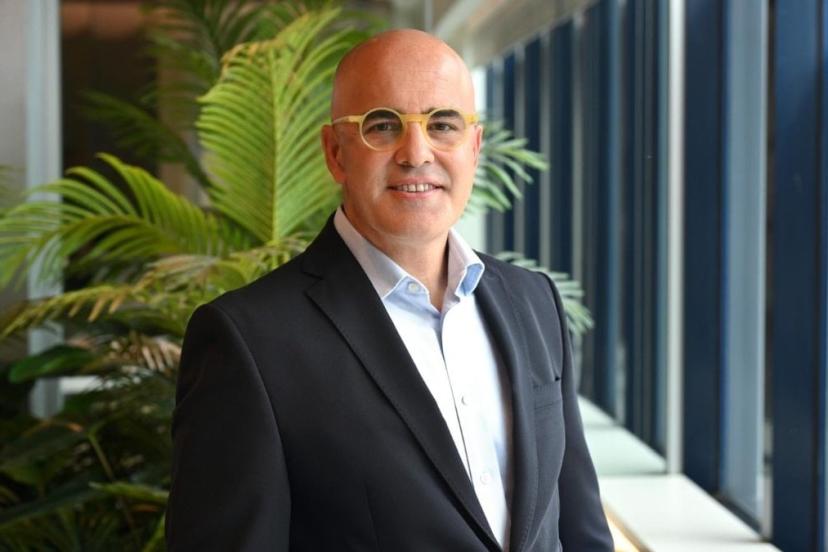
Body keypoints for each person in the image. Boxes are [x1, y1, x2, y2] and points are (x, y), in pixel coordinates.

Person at [165, 29, 613, 552]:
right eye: (382, 125)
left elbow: (580, 529)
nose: (416, 153)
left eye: (442, 124)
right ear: (335, 152)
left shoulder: (533, 301)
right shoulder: (250, 341)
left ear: (473, 147)